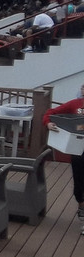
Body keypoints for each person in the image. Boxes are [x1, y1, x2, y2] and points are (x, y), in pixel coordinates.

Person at [44, 81, 84, 224]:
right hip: (78, 149)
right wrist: (48, 123)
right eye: (83, 87)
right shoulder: (75, 104)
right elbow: (51, 113)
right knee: (79, 180)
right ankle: (81, 208)